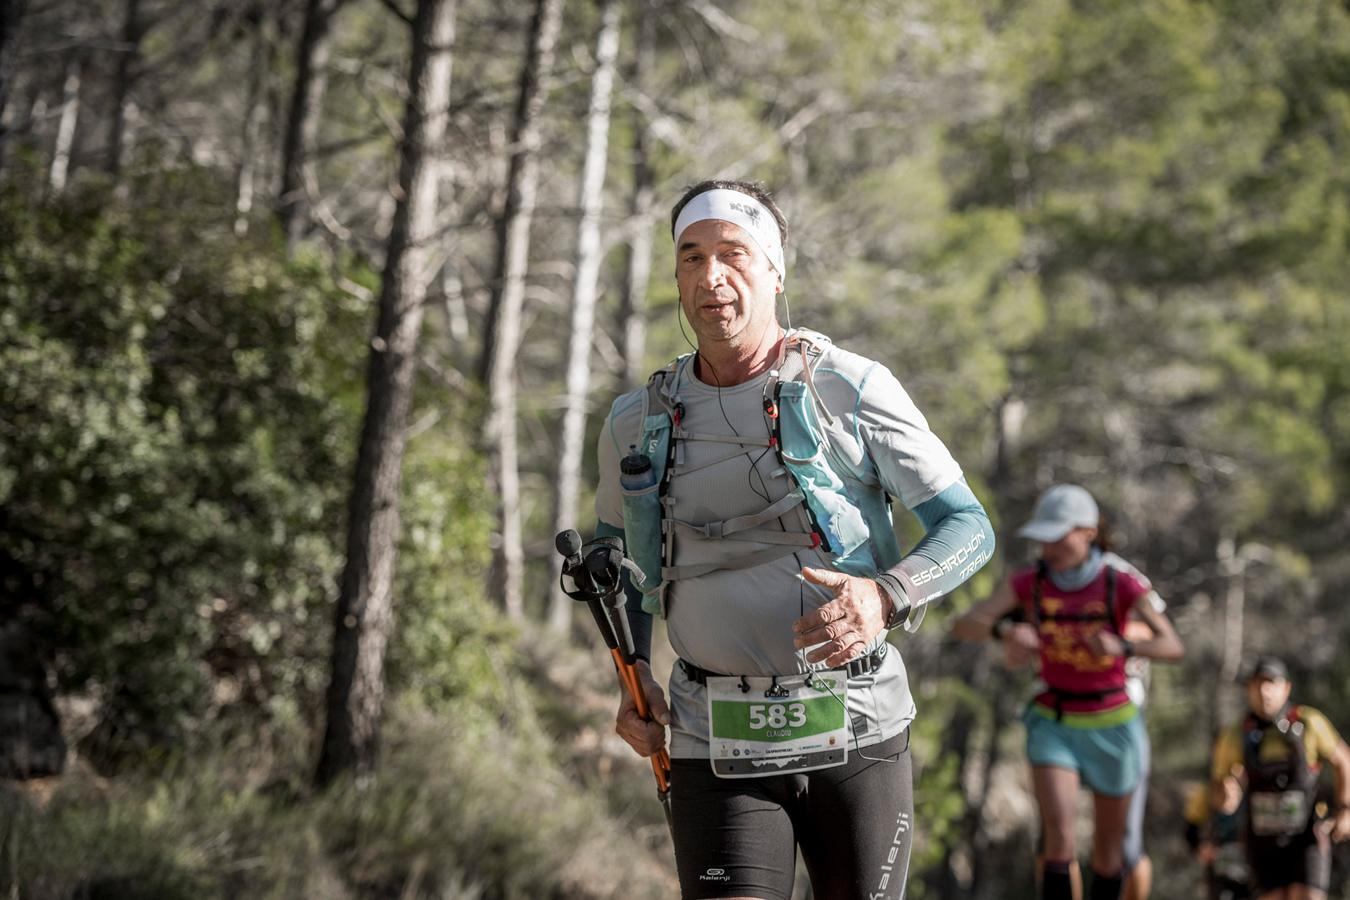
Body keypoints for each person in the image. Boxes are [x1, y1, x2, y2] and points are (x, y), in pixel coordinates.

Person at [591, 179, 995, 900]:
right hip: (712, 738)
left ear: (775, 271)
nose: (710, 277)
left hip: (858, 732)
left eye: (732, 254)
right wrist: (633, 671)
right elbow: (617, 566)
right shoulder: (636, 421)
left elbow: (969, 529)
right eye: (690, 257)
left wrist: (886, 596)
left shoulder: (851, 388)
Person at [952, 484, 1183, 900]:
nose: (1047, 545)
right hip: (1053, 720)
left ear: (1088, 533)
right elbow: (964, 623)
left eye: (1057, 535)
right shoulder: (1030, 582)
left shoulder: (1121, 582)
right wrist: (1007, 631)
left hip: (1114, 723)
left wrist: (1124, 645)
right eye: (1043, 535)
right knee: (1059, 841)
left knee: (1111, 854)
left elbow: (1172, 645)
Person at [1209, 656, 1350, 900]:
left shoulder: (1309, 723)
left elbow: (1343, 760)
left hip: (1307, 835)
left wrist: (1346, 809)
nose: (1265, 692)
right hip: (1262, 842)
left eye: (1271, 684)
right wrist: (1225, 798)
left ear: (1286, 688)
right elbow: (1219, 791)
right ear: (1249, 690)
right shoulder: (1235, 735)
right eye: (1258, 684)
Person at [1185, 775, 1252, 900]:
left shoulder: (1252, 792)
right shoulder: (1204, 795)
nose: (1228, 792)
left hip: (1249, 873)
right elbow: (1191, 832)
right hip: (1220, 874)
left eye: (1232, 790)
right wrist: (1201, 848)